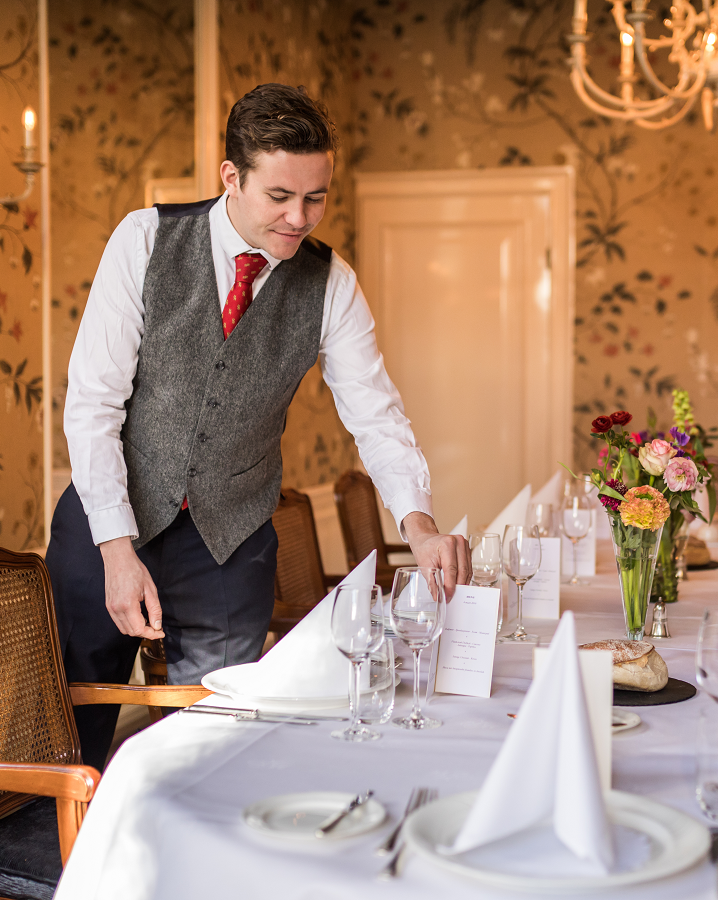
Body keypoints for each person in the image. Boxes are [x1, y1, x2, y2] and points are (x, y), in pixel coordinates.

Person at [45, 83, 471, 769]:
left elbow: (375, 413)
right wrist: (115, 549)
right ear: (231, 178)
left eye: (316, 197)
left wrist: (417, 524)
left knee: (216, 736)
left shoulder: (332, 283)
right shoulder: (144, 240)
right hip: (107, 522)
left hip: (230, 537)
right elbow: (93, 403)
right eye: (280, 197)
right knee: (70, 732)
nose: (299, 218)